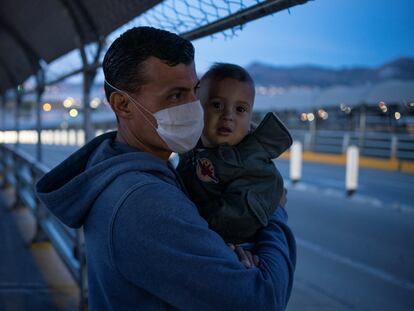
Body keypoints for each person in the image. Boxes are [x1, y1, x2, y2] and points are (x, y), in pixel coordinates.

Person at [36, 26, 296, 311]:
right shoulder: (144, 201)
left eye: (194, 91)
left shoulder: (119, 167)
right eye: (175, 95)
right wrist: (273, 215)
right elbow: (263, 301)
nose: (193, 107)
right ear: (123, 104)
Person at [176, 63, 292, 244]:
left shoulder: (254, 165)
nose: (228, 115)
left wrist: (185, 218)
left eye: (240, 109)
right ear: (197, 108)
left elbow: (237, 220)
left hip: (238, 248)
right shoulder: (190, 148)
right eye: (217, 105)